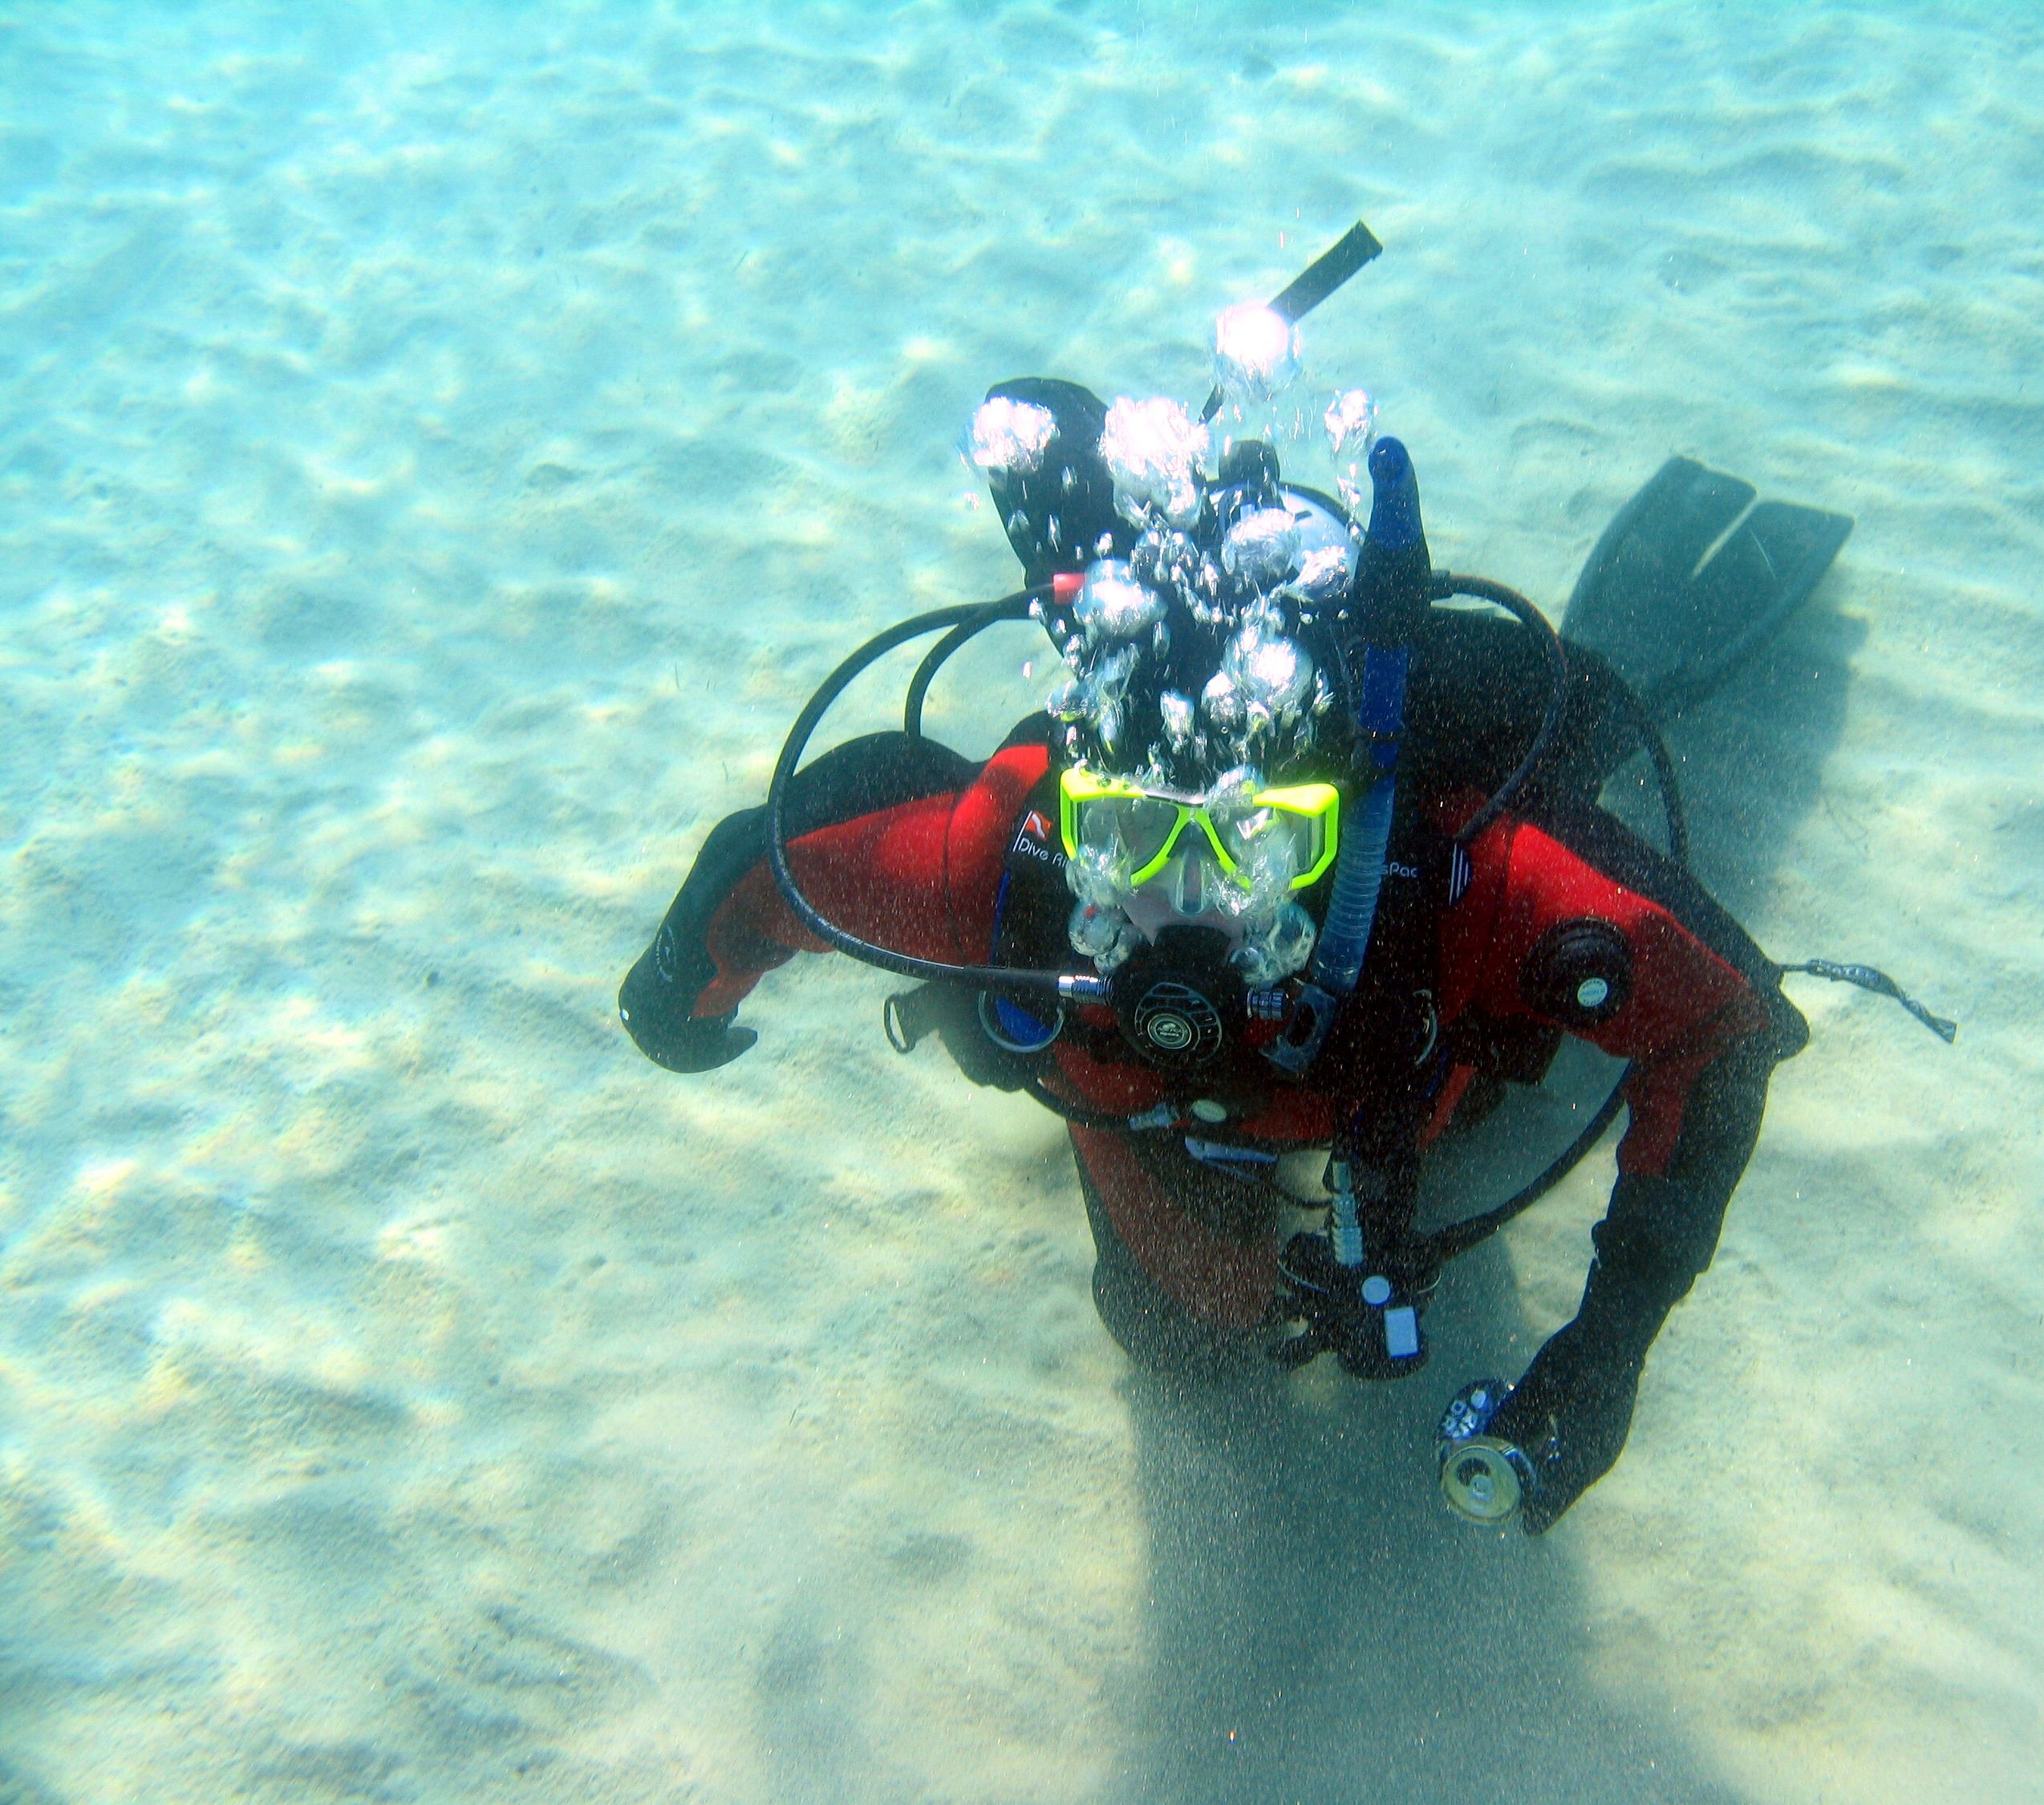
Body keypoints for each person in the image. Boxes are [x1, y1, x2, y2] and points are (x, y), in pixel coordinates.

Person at [618, 247, 1934, 1531]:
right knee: (1178, 1343)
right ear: (1073, 809)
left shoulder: (1470, 880)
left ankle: (1591, 703)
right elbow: (769, 866)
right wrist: (680, 981)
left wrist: (1609, 1349)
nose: (1186, 907)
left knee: (1547, 794)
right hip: (1135, 1109)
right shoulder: (994, 869)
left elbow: (1726, 1019)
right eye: (1129, 841)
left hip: (1410, 1099)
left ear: (1350, 828)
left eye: (1258, 848)